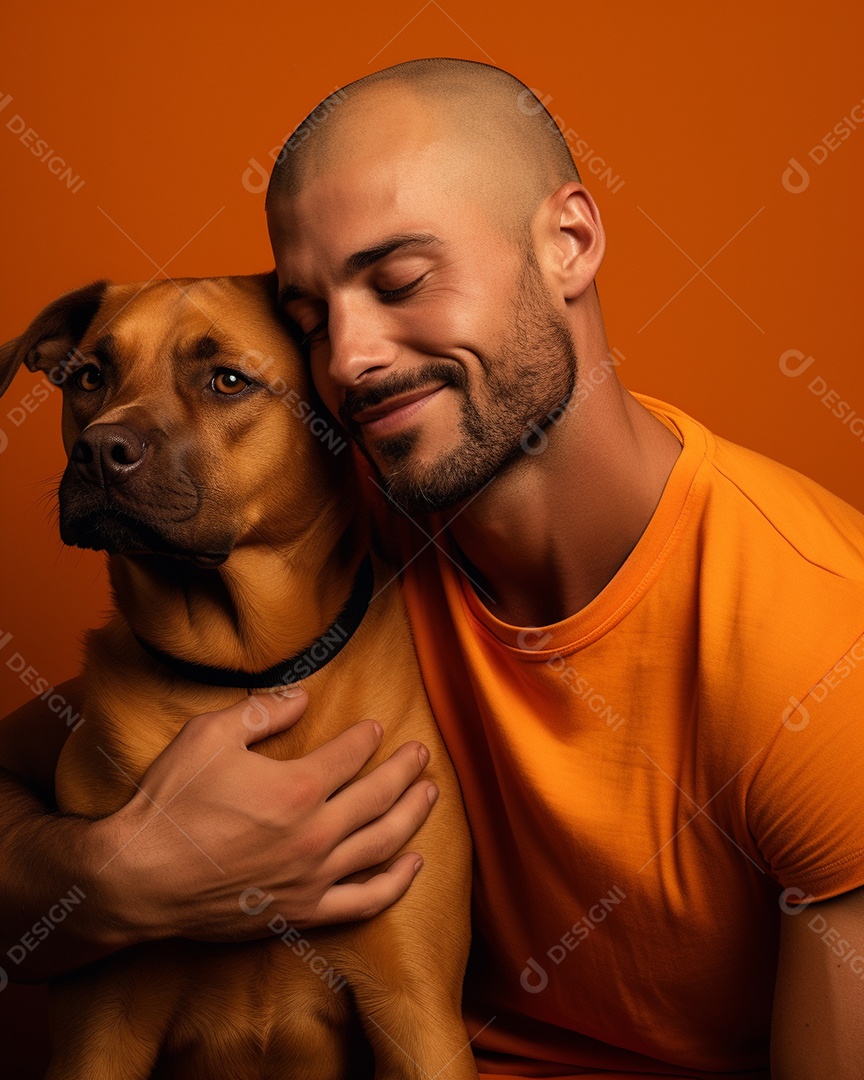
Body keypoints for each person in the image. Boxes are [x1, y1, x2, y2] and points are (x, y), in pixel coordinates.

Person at [1, 57, 863, 1078]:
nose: (351, 359)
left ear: (571, 243)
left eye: (402, 281)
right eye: (313, 320)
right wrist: (109, 877)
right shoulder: (330, 527)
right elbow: (56, 755)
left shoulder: (817, 642)